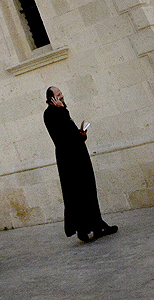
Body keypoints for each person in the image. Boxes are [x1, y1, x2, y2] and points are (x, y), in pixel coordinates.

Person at [43, 86, 118, 243]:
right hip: (69, 161)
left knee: (88, 190)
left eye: (61, 93)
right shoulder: (51, 114)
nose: (62, 96)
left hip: (79, 157)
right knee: (76, 193)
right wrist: (62, 110)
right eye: (58, 95)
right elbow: (61, 138)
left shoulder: (62, 111)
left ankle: (97, 226)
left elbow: (71, 135)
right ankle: (82, 229)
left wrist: (81, 134)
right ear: (52, 98)